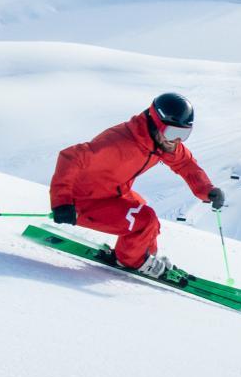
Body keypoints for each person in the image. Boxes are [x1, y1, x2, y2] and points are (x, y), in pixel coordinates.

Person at [48, 92, 224, 280]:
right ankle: (131, 260)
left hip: (112, 194)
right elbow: (70, 156)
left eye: (184, 134)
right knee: (144, 219)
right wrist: (62, 202)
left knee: (147, 217)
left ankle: (145, 256)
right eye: (173, 133)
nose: (176, 141)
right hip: (81, 202)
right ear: (157, 123)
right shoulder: (119, 142)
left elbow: (185, 164)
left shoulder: (160, 142)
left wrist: (208, 190)